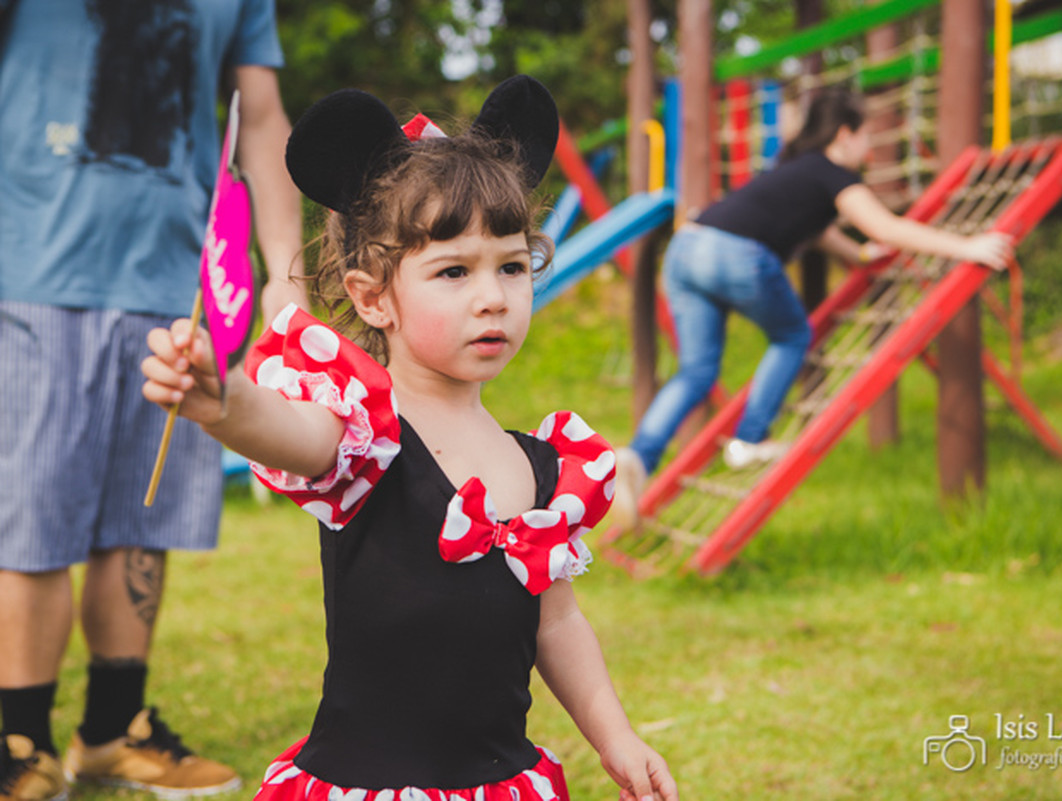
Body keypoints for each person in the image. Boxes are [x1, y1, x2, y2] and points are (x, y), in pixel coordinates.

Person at [140, 76, 678, 801]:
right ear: (373, 296)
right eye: (453, 271)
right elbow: (286, 433)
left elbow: (558, 623)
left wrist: (616, 736)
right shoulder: (361, 435)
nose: (492, 296)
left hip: (495, 782)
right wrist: (225, 401)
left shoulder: (542, 466)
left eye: (511, 266)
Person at [0, 1, 305, 799]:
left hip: (178, 284)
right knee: (31, 517)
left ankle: (111, 729)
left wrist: (286, 269)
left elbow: (264, 118)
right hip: (30, 272)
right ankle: (17, 741)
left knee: (143, 511)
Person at [612, 89, 1012, 520]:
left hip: (687, 248)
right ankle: (750, 438)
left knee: (697, 371)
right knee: (792, 334)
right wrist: (967, 246)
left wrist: (856, 255)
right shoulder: (835, 174)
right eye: (866, 138)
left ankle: (636, 458)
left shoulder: (797, 169)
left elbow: (817, 228)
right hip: (732, 253)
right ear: (845, 135)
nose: (869, 149)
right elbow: (886, 227)